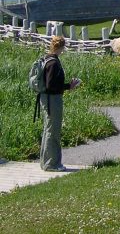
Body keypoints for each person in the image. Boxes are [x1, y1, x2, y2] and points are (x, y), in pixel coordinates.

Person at [39, 36, 81, 172]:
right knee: (53, 132)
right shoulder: (53, 63)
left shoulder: (48, 59)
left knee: (48, 130)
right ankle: (52, 164)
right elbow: (51, 85)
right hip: (53, 100)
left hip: (47, 100)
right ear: (61, 47)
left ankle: (46, 163)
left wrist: (68, 86)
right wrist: (69, 86)